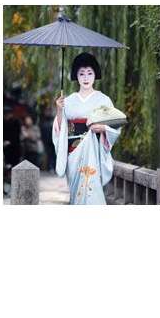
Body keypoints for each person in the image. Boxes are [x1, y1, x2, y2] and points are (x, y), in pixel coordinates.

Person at [52, 52, 122, 205]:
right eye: (81, 73)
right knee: (76, 192)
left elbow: (115, 125)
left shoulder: (104, 100)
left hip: (94, 150)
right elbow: (60, 129)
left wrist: (103, 128)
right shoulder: (68, 101)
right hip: (73, 152)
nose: (86, 78)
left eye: (90, 73)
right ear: (76, 76)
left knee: (91, 188)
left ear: (95, 75)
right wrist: (59, 110)